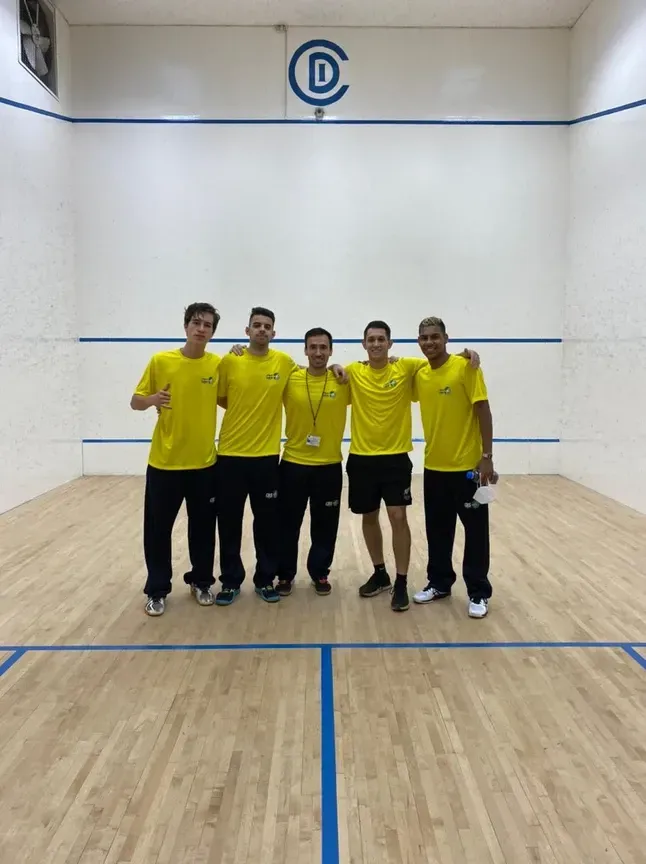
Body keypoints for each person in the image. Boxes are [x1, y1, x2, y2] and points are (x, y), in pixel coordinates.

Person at [344, 320, 480, 613]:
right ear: (364, 344)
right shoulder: (353, 371)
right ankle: (380, 573)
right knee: (369, 517)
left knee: (397, 516)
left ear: (390, 343)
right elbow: (328, 372)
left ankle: (401, 581)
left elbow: (439, 362)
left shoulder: (407, 367)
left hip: (395, 459)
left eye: (381, 339)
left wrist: (465, 354)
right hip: (361, 458)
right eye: (371, 340)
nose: (376, 344)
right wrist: (332, 367)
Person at [215, 308, 345, 606]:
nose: (262, 330)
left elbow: (315, 369)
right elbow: (222, 398)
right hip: (233, 457)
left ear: (274, 333)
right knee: (232, 523)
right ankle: (232, 581)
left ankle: (266, 579)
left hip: (268, 459)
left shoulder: (286, 364)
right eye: (257, 325)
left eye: (267, 326)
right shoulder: (231, 360)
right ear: (247, 330)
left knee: (268, 524)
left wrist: (337, 366)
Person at [131, 303, 221, 616]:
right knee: (158, 531)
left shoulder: (217, 365)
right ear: (186, 326)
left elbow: (232, 394)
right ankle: (157, 590)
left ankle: (202, 582)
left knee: (203, 530)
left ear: (212, 332)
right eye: (196, 322)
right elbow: (135, 402)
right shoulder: (161, 361)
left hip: (204, 465)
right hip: (164, 464)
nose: (201, 328)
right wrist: (153, 399)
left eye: (207, 325)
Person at [412, 316, 494, 618]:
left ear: (446, 338)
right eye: (424, 338)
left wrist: (487, 456)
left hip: (468, 469)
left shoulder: (466, 368)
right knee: (438, 530)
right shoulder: (420, 374)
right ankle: (439, 583)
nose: (429, 342)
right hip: (434, 468)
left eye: (435, 336)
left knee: (475, 533)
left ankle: (478, 592)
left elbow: (483, 409)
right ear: (419, 342)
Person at [276, 327, 350, 597]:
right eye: (313, 347)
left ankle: (320, 572)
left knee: (325, 525)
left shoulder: (343, 381)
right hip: (293, 464)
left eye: (323, 347)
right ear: (305, 350)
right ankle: (285, 575)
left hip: (329, 466)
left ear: (330, 351)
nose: (318, 352)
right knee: (287, 524)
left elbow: (374, 370)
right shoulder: (290, 379)